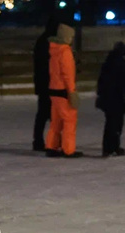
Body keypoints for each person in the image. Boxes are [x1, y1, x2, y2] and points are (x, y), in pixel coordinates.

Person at [45, 19, 82, 158]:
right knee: (69, 120)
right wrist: (71, 92)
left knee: (56, 121)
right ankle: (68, 149)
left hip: (53, 89)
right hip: (63, 91)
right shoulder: (65, 52)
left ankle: (51, 146)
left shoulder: (53, 50)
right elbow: (67, 74)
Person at [96, 42, 125, 157]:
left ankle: (107, 147)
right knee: (116, 124)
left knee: (109, 123)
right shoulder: (121, 64)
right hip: (117, 98)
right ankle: (114, 147)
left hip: (107, 98)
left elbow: (101, 81)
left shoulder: (107, 63)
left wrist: (101, 95)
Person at [32, 17, 59, 151]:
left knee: (43, 113)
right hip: (48, 83)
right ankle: (45, 141)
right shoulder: (48, 42)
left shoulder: (43, 40)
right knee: (47, 113)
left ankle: (39, 140)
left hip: (43, 82)